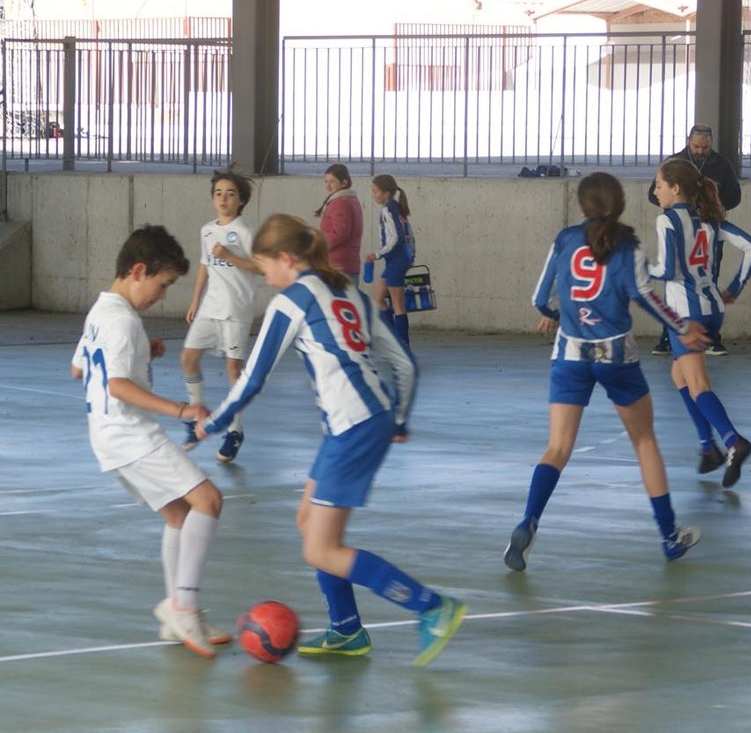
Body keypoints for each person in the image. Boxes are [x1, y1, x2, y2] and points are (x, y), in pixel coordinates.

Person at [195, 214, 466, 665]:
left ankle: (433, 607)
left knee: (322, 548)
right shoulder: (352, 293)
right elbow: (405, 364)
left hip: (353, 428)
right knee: (308, 520)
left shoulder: (292, 302)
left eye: (264, 268)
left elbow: (252, 378)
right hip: (363, 421)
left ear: (285, 259)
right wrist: (397, 418)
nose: (264, 278)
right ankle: (347, 630)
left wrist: (212, 423)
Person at [503, 172, 710, 572]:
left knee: (557, 448)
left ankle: (528, 521)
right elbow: (645, 296)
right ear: (620, 205)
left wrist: (554, 315)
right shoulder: (627, 245)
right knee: (645, 441)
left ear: (582, 206)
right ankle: (668, 537)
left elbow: (539, 298)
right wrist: (683, 327)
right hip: (617, 357)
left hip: (569, 355)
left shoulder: (565, 239)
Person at [71, 225, 229, 658]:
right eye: (162, 285)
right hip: (130, 434)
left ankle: (177, 611)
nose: (162, 295)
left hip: (107, 437)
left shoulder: (103, 311)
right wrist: (183, 409)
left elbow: (80, 370)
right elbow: (118, 385)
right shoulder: (122, 320)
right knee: (209, 502)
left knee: (179, 513)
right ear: (138, 270)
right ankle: (186, 607)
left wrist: (142, 351)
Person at [650, 157, 751, 488]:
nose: (655, 192)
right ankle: (707, 448)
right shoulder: (710, 220)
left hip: (685, 314)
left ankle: (732, 442)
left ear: (675, 188)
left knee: (697, 384)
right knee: (679, 375)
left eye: (658, 185)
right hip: (713, 308)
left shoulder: (668, 220)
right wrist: (735, 287)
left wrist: (638, 270)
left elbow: (666, 270)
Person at [180, 165, 259, 462]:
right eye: (218, 194)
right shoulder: (207, 229)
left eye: (230, 194)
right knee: (188, 358)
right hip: (209, 307)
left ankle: (235, 430)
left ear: (240, 200)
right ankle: (197, 417)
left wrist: (230, 257)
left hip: (236, 308)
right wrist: (194, 299)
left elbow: (260, 267)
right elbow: (204, 265)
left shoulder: (245, 232)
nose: (223, 199)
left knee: (233, 371)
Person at [648, 123, 742, 356]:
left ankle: (710, 337)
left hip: (705, 228)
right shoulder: (674, 163)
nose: (700, 151)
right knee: (675, 281)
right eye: (697, 146)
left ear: (711, 144)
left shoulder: (721, 164)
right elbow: (654, 193)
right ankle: (668, 336)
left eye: (705, 147)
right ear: (688, 140)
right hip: (681, 230)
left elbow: (734, 195)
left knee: (706, 275)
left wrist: (711, 209)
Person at [367, 174, 416, 355]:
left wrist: (378, 254)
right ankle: (394, 340)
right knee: (378, 299)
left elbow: (397, 237)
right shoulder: (395, 208)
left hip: (396, 258)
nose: (373, 195)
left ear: (386, 193)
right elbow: (409, 235)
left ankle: (402, 346)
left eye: (375, 192)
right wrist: (411, 255)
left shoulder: (388, 209)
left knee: (397, 303)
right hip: (397, 258)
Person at [314, 163, 364, 285]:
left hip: (338, 265)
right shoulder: (351, 200)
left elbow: (340, 233)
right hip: (348, 263)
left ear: (344, 183)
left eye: (332, 182)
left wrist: (318, 247)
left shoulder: (341, 202)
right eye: (326, 181)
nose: (328, 186)